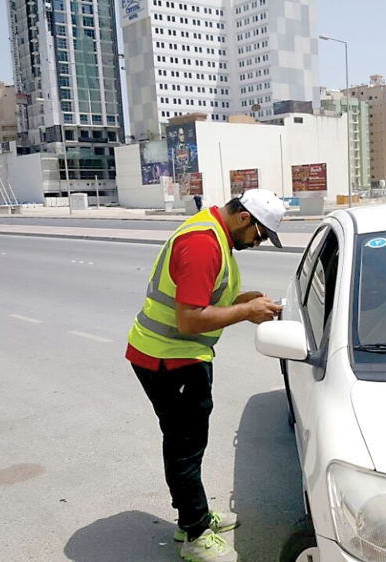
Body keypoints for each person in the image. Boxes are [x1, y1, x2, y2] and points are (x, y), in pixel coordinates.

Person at [126, 189, 286, 562]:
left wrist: (241, 300)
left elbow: (203, 299)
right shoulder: (203, 244)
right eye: (260, 235)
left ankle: (191, 516)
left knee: (188, 442)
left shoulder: (212, 231)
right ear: (245, 218)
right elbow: (189, 318)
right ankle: (195, 536)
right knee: (185, 445)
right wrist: (245, 313)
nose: (258, 243)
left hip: (173, 354)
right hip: (169, 358)